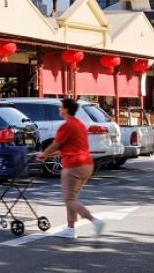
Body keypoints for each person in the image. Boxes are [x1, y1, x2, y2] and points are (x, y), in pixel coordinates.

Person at [36, 98, 104, 239]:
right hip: (87, 164)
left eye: (61, 107)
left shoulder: (67, 126)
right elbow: (65, 149)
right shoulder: (79, 125)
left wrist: (43, 154)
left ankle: (94, 221)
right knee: (72, 198)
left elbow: (56, 144)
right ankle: (70, 229)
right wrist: (46, 156)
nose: (59, 109)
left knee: (69, 199)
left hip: (74, 165)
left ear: (66, 110)